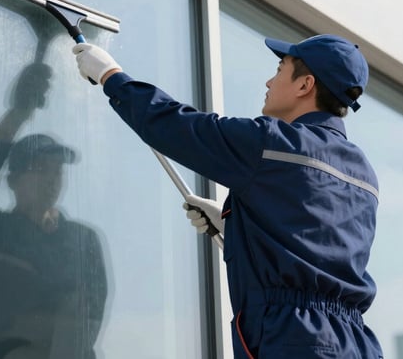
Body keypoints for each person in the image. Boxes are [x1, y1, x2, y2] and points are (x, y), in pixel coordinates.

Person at [71, 34, 383, 358]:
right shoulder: (363, 174)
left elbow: (177, 126)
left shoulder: (271, 145)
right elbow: (313, 237)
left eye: (279, 69)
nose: (269, 80)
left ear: (305, 85)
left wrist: (110, 76)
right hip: (356, 343)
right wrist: (234, 228)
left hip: (295, 340)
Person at [0, 63, 108, 359]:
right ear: (13, 181)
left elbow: (85, 323)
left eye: (57, 171)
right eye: (40, 169)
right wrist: (18, 114)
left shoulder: (83, 242)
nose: (50, 179)